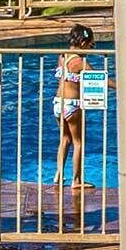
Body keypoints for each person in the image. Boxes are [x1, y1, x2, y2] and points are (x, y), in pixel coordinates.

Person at [52, 24, 93, 193]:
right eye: (91, 45)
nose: (91, 49)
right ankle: (76, 180)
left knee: (64, 140)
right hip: (72, 105)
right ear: (83, 43)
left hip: (57, 103)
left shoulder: (63, 56)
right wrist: (120, 85)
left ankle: (58, 175)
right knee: (78, 143)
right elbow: (98, 78)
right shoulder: (79, 61)